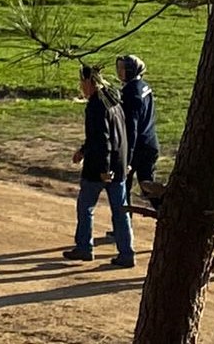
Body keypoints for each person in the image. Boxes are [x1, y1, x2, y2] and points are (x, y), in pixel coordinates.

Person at [64, 64, 135, 269]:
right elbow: (116, 135)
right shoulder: (113, 100)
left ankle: (84, 247)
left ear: (88, 82)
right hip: (119, 165)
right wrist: (83, 150)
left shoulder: (96, 105)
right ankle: (127, 252)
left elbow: (102, 140)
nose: (81, 87)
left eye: (81, 83)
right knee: (120, 210)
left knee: (85, 206)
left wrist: (104, 169)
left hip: (99, 168)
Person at [117, 54, 160, 209]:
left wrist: (128, 157)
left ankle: (123, 229)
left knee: (124, 186)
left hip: (138, 147)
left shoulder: (131, 92)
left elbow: (131, 128)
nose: (119, 72)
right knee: (147, 185)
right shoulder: (144, 86)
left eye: (123, 69)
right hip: (150, 142)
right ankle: (166, 213)